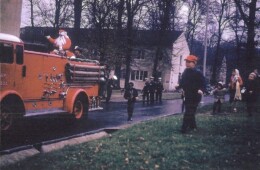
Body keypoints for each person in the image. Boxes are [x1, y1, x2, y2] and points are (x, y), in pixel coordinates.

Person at [176, 55, 206, 133]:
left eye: (189, 62)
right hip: (187, 95)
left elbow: (203, 83)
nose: (187, 63)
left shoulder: (198, 72)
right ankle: (193, 126)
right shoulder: (185, 72)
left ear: (194, 63)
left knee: (188, 112)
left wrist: (201, 89)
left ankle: (184, 129)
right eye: (186, 62)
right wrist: (178, 86)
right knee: (190, 112)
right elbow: (183, 82)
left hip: (195, 96)